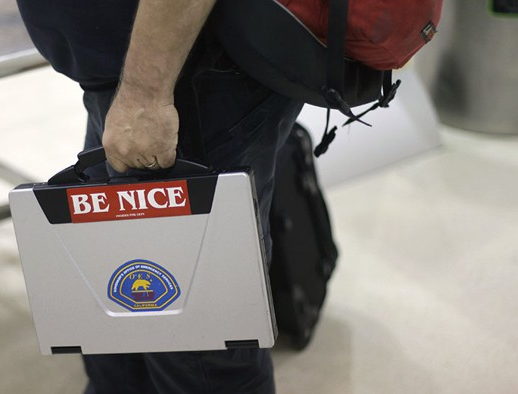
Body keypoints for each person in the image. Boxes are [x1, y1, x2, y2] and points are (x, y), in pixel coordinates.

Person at [15, 1, 304, 392]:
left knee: (199, 351)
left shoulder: (154, 93)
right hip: (131, 79)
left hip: (183, 84)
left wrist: (146, 93)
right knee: (111, 317)